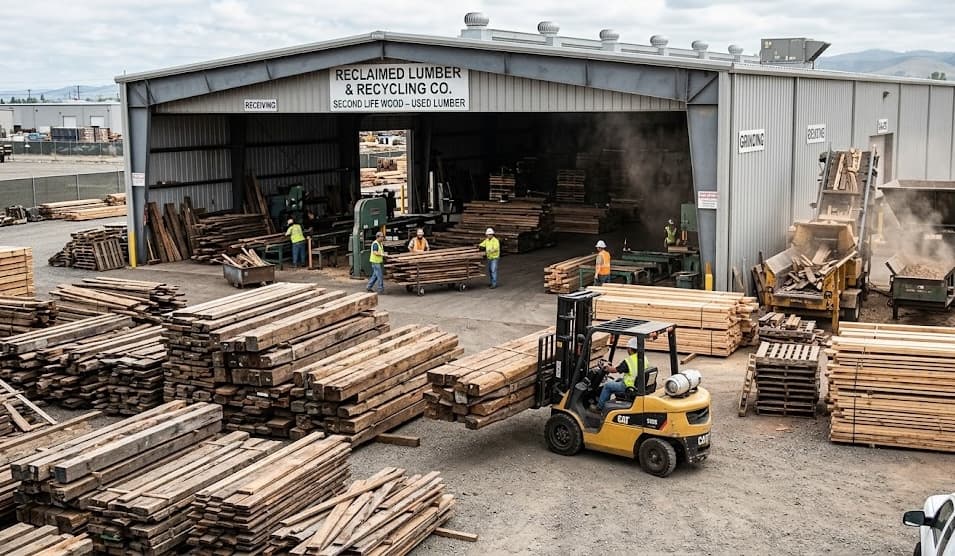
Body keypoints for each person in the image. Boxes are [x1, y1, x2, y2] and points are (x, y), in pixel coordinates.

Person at [596, 337, 651, 412]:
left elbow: (615, 370)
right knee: (618, 380)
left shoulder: (629, 361)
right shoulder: (644, 358)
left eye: (628, 348)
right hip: (637, 384)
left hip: (629, 387)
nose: (627, 350)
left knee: (607, 386)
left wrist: (606, 368)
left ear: (630, 349)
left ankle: (600, 408)